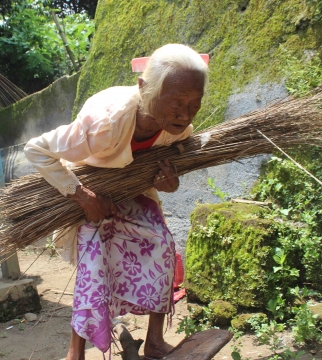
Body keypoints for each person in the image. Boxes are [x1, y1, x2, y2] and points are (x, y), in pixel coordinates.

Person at [24, 44, 208, 360]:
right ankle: (75, 353)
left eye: (195, 104)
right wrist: (82, 197)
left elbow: (166, 167)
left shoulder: (180, 131)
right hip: (89, 187)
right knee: (95, 260)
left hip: (129, 187)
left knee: (163, 244)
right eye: (176, 102)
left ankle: (153, 341)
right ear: (145, 89)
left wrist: (170, 183)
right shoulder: (104, 125)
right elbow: (35, 150)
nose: (185, 113)